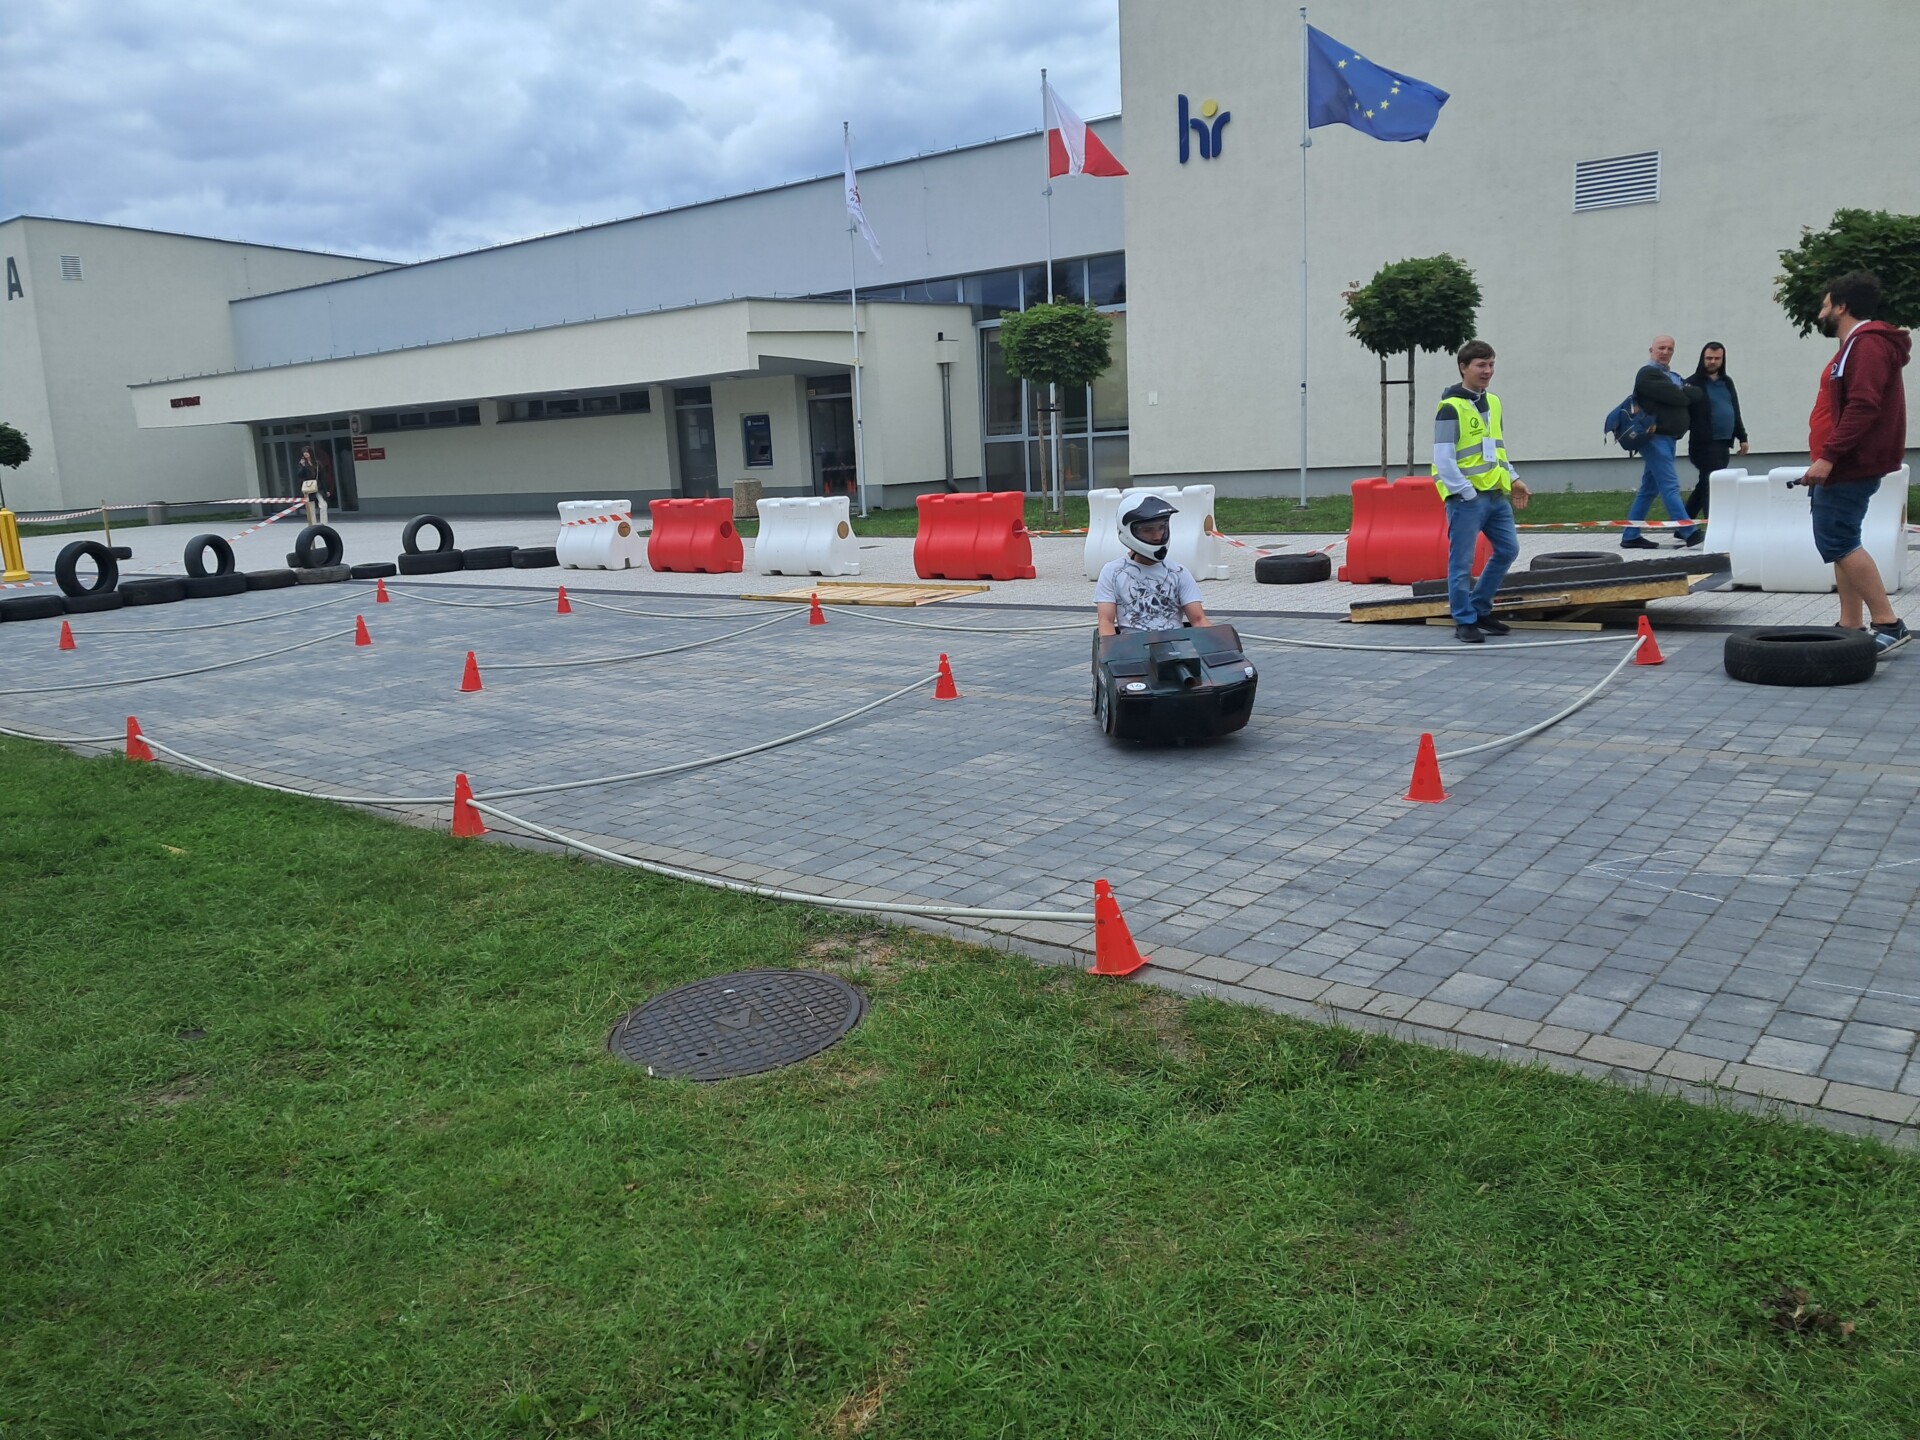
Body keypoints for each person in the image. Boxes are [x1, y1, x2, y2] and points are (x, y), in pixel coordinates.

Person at [1801, 270, 1910, 655]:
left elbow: (1864, 406)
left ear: (1841, 307)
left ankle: (1888, 623)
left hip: (1848, 463)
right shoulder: (1857, 345)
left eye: (1825, 306)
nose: (1820, 314)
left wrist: (1829, 458)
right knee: (1842, 541)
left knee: (1838, 540)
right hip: (1844, 462)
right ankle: (1851, 622)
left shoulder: (1867, 345)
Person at [1431, 339, 1527, 643]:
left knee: (1508, 549)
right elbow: (1443, 459)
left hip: (1495, 495)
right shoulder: (1450, 407)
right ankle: (1464, 619)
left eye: (1491, 364)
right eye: (1481, 365)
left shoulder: (1493, 402)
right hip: (1466, 498)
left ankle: (1480, 608)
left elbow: (1497, 448)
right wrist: (1466, 492)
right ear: (1463, 368)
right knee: (1461, 562)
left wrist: (1513, 478)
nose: (1488, 371)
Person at [1620, 335, 1704, 549]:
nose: (1665, 352)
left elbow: (1697, 394)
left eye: (1670, 349)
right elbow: (1680, 398)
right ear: (1651, 350)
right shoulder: (1647, 374)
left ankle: (1630, 535)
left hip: (1668, 438)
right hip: (1654, 438)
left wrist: (1681, 391)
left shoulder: (1672, 376)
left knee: (1649, 489)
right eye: (1661, 348)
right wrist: (1682, 391)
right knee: (1670, 485)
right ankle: (1688, 531)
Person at [1094, 494, 1212, 635]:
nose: (1157, 536)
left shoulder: (1178, 572)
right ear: (1128, 531)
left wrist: (1218, 644)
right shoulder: (1112, 572)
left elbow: (1198, 620)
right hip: (1133, 647)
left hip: (1176, 645)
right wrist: (1109, 648)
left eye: (1161, 528)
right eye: (1148, 530)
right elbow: (1106, 622)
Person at [1682, 341, 1749, 519]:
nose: (1712, 362)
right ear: (1702, 358)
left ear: (1722, 359)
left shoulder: (1727, 382)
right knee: (1711, 485)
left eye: (1716, 358)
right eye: (1709, 358)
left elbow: (1735, 410)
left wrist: (1742, 437)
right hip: (1703, 444)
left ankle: (1683, 525)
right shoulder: (1692, 384)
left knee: (1705, 484)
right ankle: (1711, 523)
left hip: (1724, 442)